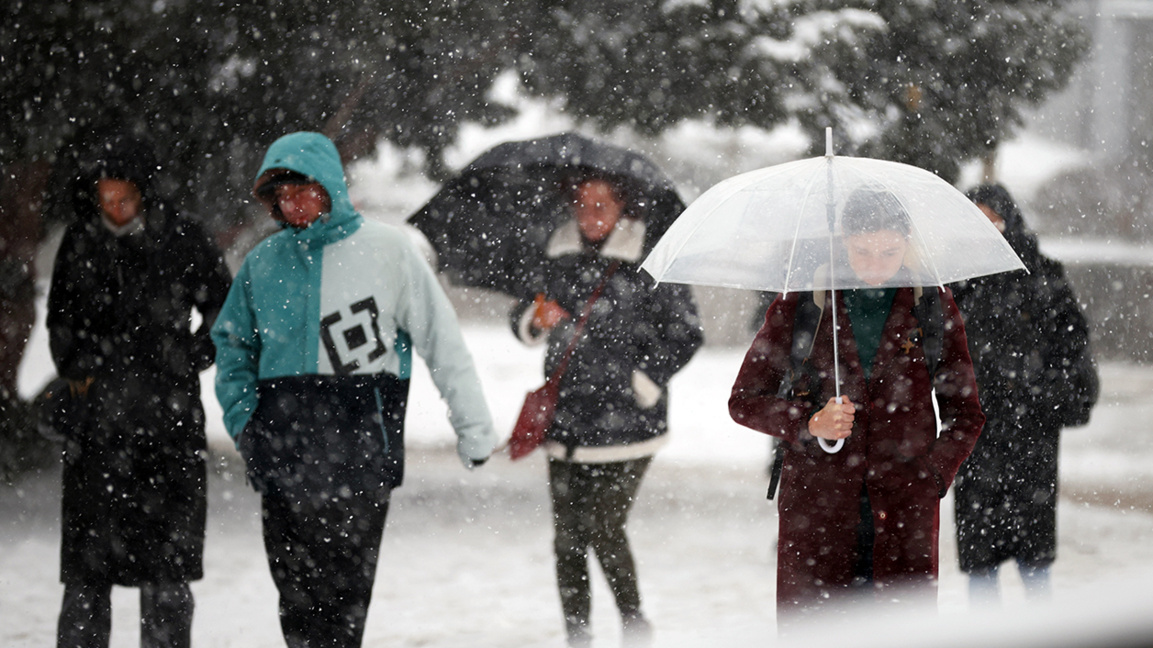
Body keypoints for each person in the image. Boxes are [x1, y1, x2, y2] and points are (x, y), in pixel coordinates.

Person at [211, 131, 498, 648]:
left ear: (330, 187)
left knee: (344, 607)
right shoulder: (262, 263)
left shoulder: (389, 252)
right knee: (296, 604)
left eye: (303, 191)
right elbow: (232, 347)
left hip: (360, 456)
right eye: (282, 196)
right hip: (281, 455)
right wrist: (245, 423)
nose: (293, 205)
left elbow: (443, 342)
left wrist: (474, 428)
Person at [728, 187, 985, 625]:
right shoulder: (804, 302)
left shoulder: (931, 303)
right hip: (817, 511)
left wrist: (931, 476)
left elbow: (966, 414)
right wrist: (809, 422)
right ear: (843, 240)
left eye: (889, 252)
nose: (875, 265)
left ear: (907, 243)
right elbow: (744, 400)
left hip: (903, 512)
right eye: (862, 251)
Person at [47, 132, 232, 648]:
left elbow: (224, 311)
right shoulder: (80, 241)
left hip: (169, 432)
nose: (114, 206)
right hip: (96, 434)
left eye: (124, 196)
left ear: (145, 192)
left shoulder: (184, 237)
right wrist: (84, 369)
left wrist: (188, 357)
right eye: (105, 196)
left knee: (167, 581)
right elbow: (60, 322)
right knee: (86, 582)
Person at [510, 174, 703, 647]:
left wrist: (643, 380)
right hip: (567, 420)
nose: (590, 215)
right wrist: (534, 319)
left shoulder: (651, 258)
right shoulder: (556, 254)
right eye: (582, 204)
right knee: (566, 539)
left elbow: (686, 332)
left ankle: (635, 625)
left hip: (628, 423)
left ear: (623, 208)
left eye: (602, 204)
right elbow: (523, 311)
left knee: (604, 527)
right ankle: (577, 635)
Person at [951, 184, 1097, 603]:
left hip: (1032, 435)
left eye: (993, 219)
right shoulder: (958, 282)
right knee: (979, 561)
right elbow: (938, 351)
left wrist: (1040, 393)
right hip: (977, 435)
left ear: (1010, 220)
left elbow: (1074, 349)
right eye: (976, 221)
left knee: (1035, 561)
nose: (986, 230)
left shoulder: (1044, 276)